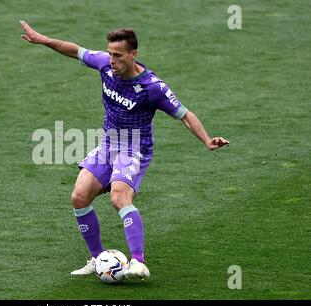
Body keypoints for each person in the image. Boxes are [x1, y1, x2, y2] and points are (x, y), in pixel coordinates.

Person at [20, 21, 229, 279]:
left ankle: (138, 261)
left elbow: (184, 114)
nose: (112, 60)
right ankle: (97, 260)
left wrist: (207, 140)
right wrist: (43, 39)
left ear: (133, 55)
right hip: (108, 144)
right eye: (110, 53)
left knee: (119, 198)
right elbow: (75, 50)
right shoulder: (105, 65)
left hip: (134, 148)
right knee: (79, 197)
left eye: (118, 55)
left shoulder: (153, 87)